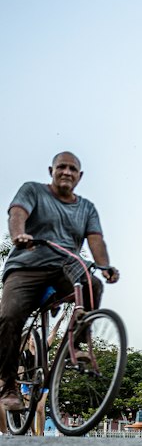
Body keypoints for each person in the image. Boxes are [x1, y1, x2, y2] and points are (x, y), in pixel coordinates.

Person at [0, 152, 120, 412]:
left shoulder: (86, 208)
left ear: (80, 176)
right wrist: (19, 234)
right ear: (51, 170)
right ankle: (8, 385)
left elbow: (95, 240)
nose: (67, 172)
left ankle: (75, 345)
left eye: (73, 169)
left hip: (65, 266)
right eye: (61, 167)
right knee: (10, 316)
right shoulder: (33, 191)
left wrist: (105, 265)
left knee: (93, 284)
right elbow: (17, 212)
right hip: (26, 265)